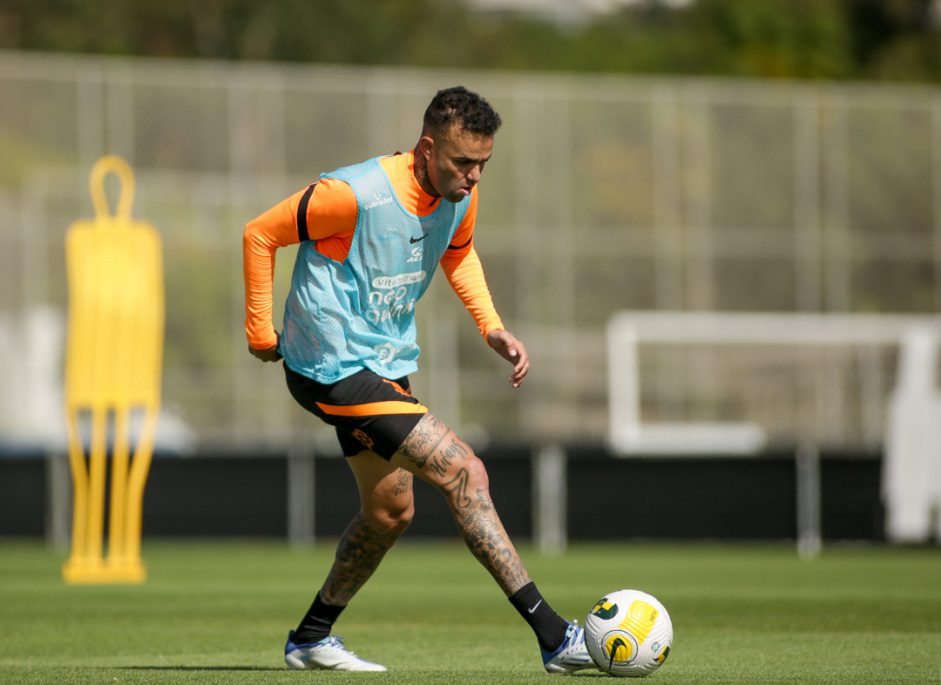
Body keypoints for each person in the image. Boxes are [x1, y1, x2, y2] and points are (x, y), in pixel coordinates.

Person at [242, 85, 594, 674]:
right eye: (463, 162)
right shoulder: (351, 194)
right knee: (464, 470)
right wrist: (260, 331)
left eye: (483, 164)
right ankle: (557, 638)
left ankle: (310, 638)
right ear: (427, 147)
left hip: (385, 365)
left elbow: (457, 252)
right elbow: (260, 234)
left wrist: (492, 328)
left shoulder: (461, 195)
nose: (474, 176)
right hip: (331, 368)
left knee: (389, 514)